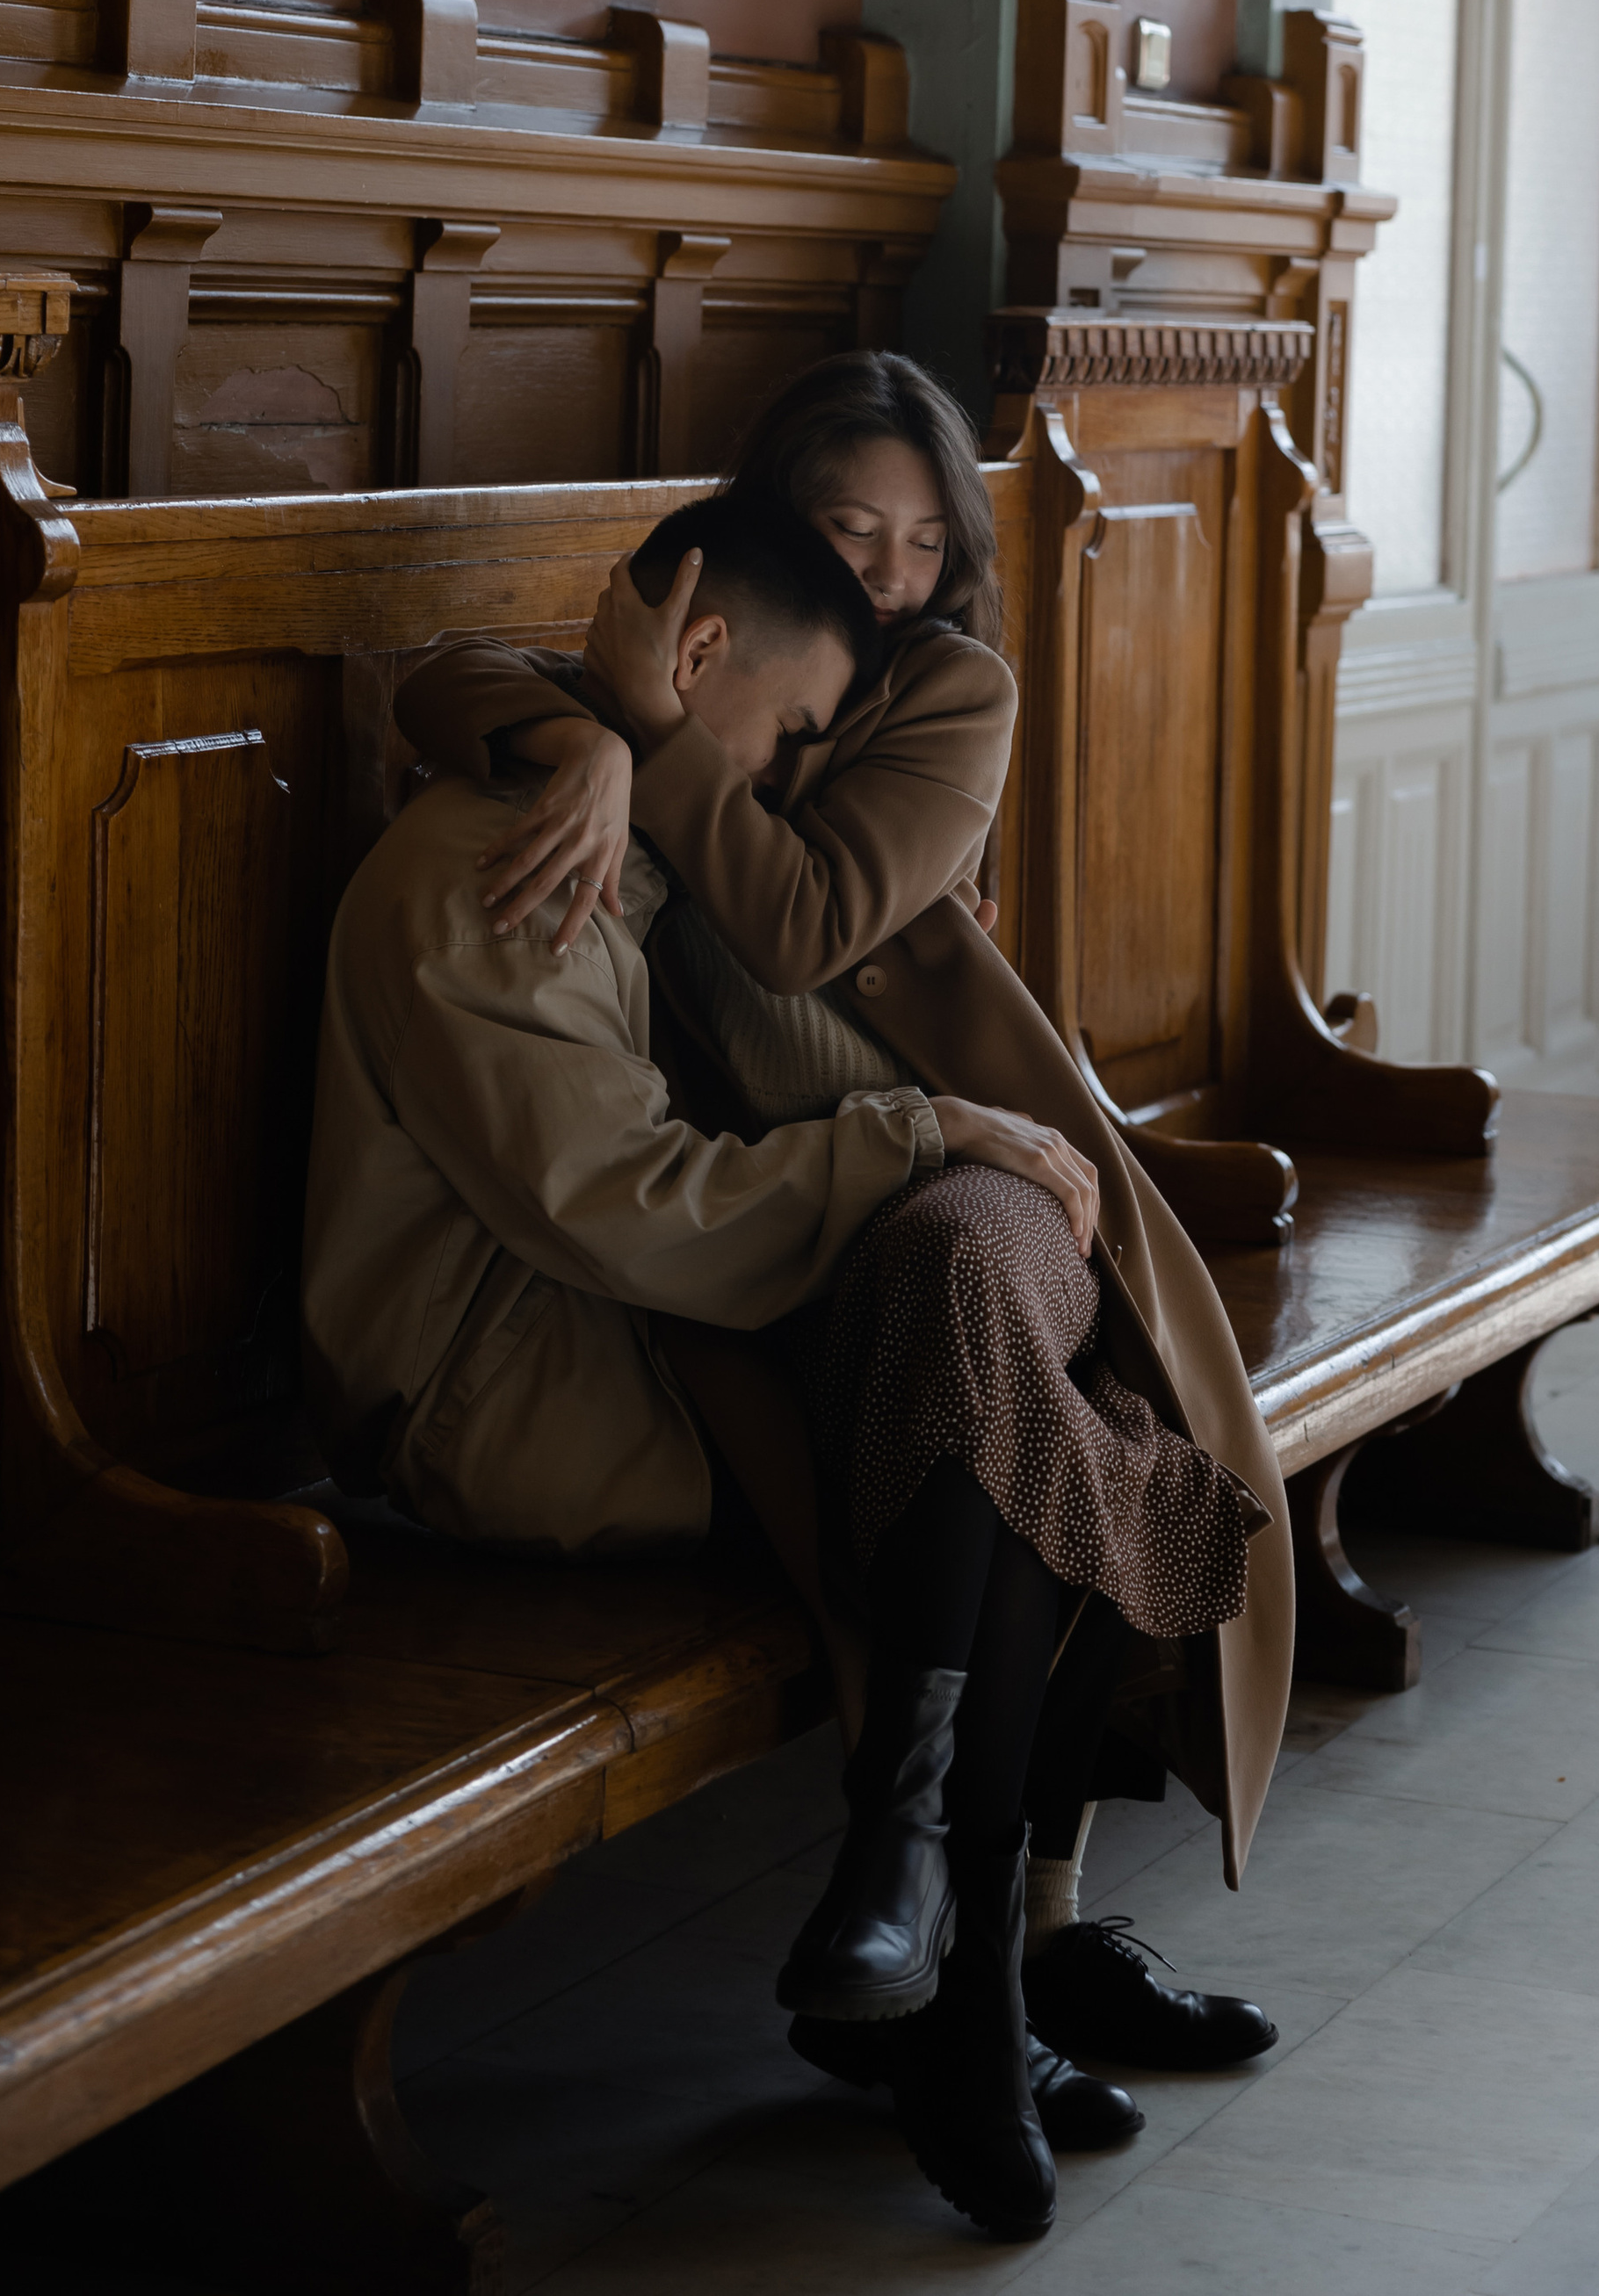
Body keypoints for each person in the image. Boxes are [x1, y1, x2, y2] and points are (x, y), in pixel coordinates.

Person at [307, 485, 1245, 2239]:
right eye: (795, 729)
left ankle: (933, 1953)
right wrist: (922, 1127)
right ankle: (965, 1988)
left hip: (638, 1340)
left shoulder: (637, 810)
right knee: (1030, 1434)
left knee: (997, 1385)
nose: (792, 772)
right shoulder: (522, 857)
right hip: (524, 1394)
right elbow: (621, 1207)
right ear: (702, 651)